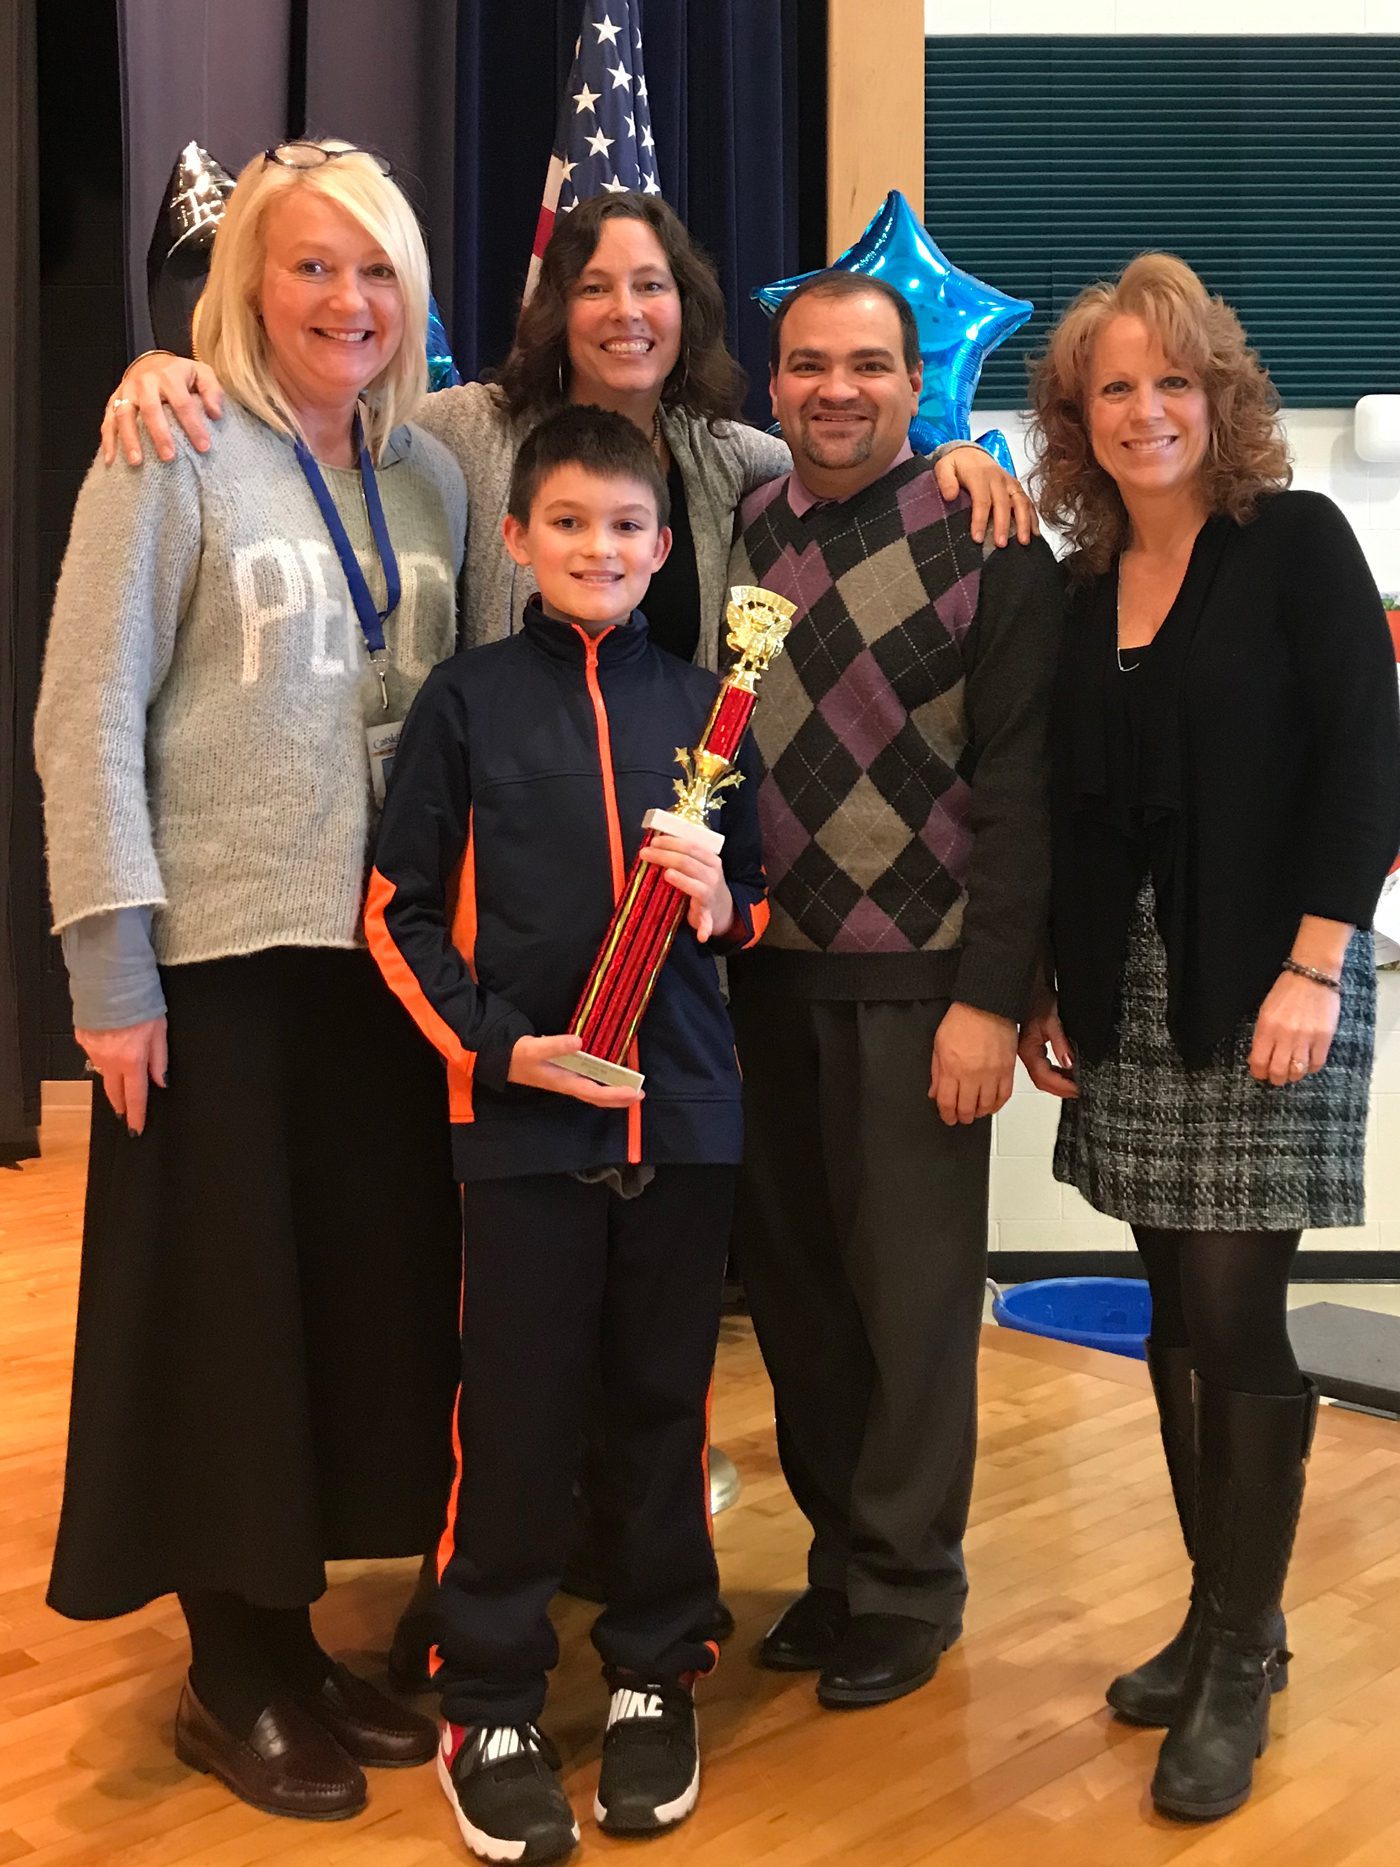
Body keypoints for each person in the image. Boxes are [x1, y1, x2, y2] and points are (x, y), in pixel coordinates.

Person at [98, 187, 1030, 1650]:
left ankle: (662, 1567)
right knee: (499, 1298)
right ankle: (487, 1576)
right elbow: (325, 407)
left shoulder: (745, 460)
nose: (624, 310)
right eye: (594, 283)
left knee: (669, 1300)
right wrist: (175, 367)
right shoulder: (464, 432)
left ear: (691, 308)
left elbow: (875, 454)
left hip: (703, 951)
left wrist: (978, 458)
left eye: (652, 283)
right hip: (497, 937)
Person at [34, 141, 468, 1822]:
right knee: (220, 1320)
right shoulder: (171, 451)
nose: (345, 301)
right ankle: (229, 1672)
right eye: (308, 267)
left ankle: (294, 1641)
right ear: (245, 288)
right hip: (214, 961)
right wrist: (109, 963)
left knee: (338, 1313)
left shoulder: (428, 472)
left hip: (382, 968)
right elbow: (88, 716)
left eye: (374, 270)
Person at [1017, 253, 1400, 1822]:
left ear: (1220, 396)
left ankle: (1243, 1647)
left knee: (1239, 1316)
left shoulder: (1295, 543)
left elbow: (1370, 760)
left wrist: (1319, 962)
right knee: (1171, 1307)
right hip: (1135, 991)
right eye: (1116, 386)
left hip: (1274, 983)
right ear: (1077, 417)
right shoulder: (1077, 576)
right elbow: (1067, 817)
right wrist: (1049, 981)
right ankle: (1216, 1606)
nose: (1147, 409)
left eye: (1174, 381)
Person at [365, 405, 766, 1865]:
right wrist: (498, 1050)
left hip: (687, 1118)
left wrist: (725, 899)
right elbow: (394, 911)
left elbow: (759, 902)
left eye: (627, 528)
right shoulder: (467, 704)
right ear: (523, 540)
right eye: (572, 524)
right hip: (527, 1125)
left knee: (665, 1412)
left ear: (665, 550)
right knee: (518, 1421)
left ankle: (660, 1671)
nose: (601, 548)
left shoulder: (709, 710)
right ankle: (490, 1698)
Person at [725, 271, 1063, 1710]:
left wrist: (993, 996)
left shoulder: (992, 538)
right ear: (775, 378)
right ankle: (840, 1562)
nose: (836, 390)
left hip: (921, 990)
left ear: (915, 376)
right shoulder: (746, 524)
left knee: (911, 1305)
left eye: (869, 364)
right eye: (809, 365)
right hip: (760, 980)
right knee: (800, 1302)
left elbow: (1024, 788)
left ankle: (912, 1587)